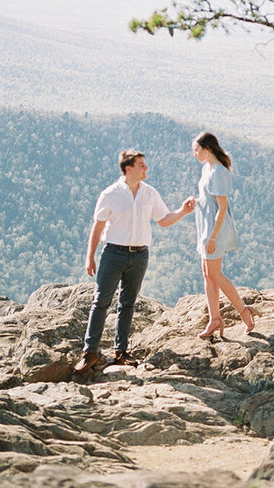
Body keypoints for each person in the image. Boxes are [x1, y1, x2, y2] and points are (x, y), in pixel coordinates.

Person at [72, 148, 195, 382]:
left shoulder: (149, 193)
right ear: (128, 169)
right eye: (141, 165)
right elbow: (98, 227)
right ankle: (90, 353)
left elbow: (164, 220)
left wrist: (183, 211)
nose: (146, 168)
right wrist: (90, 257)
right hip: (113, 253)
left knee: (127, 304)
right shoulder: (110, 194)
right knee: (101, 302)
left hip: (140, 255)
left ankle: (121, 352)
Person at [192, 131, 257, 338]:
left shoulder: (219, 172)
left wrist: (212, 237)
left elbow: (222, 207)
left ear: (207, 149)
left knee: (215, 274)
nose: (195, 154)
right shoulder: (207, 168)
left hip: (215, 229)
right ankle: (215, 319)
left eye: (197, 150)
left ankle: (244, 311)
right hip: (205, 226)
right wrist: (196, 201)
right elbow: (209, 199)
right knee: (207, 273)